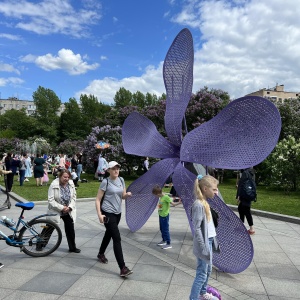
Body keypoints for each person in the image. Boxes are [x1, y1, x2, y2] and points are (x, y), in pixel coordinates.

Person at [95, 161, 133, 277]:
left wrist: (127, 195)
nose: (116, 170)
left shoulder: (121, 180)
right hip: (107, 212)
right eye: (113, 169)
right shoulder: (105, 182)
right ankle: (123, 268)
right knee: (117, 238)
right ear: (108, 170)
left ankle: (101, 253)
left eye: (117, 168)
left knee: (109, 233)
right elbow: (97, 199)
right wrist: (100, 215)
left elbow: (123, 195)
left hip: (118, 213)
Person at [190, 175, 219, 300]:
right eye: (214, 189)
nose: (216, 191)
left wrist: (214, 242)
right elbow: (196, 229)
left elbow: (209, 226)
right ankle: (193, 298)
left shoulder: (205, 202)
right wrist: (203, 247)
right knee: (201, 274)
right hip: (204, 244)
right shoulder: (198, 205)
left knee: (208, 271)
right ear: (205, 188)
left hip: (210, 241)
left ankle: (202, 293)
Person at [47, 168, 80, 253]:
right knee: (49, 227)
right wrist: (62, 207)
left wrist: (70, 207)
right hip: (56, 209)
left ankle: (72, 247)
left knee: (70, 229)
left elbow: (74, 197)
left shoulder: (71, 184)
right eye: (64, 177)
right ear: (60, 176)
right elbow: (51, 200)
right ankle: (40, 244)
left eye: (68, 177)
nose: (66, 179)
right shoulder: (54, 184)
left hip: (68, 210)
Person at [152, 185, 181, 249]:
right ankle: (164, 240)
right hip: (161, 215)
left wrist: (179, 202)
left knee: (165, 230)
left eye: (156, 195)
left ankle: (168, 243)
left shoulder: (166, 197)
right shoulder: (161, 197)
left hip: (165, 216)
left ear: (158, 193)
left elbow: (173, 204)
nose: (156, 196)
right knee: (161, 229)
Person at [236, 168, 255, 235]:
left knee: (246, 211)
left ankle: (251, 229)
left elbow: (241, 185)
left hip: (245, 195)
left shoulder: (245, 173)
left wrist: (238, 196)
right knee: (241, 209)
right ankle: (242, 226)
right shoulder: (250, 171)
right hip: (248, 194)